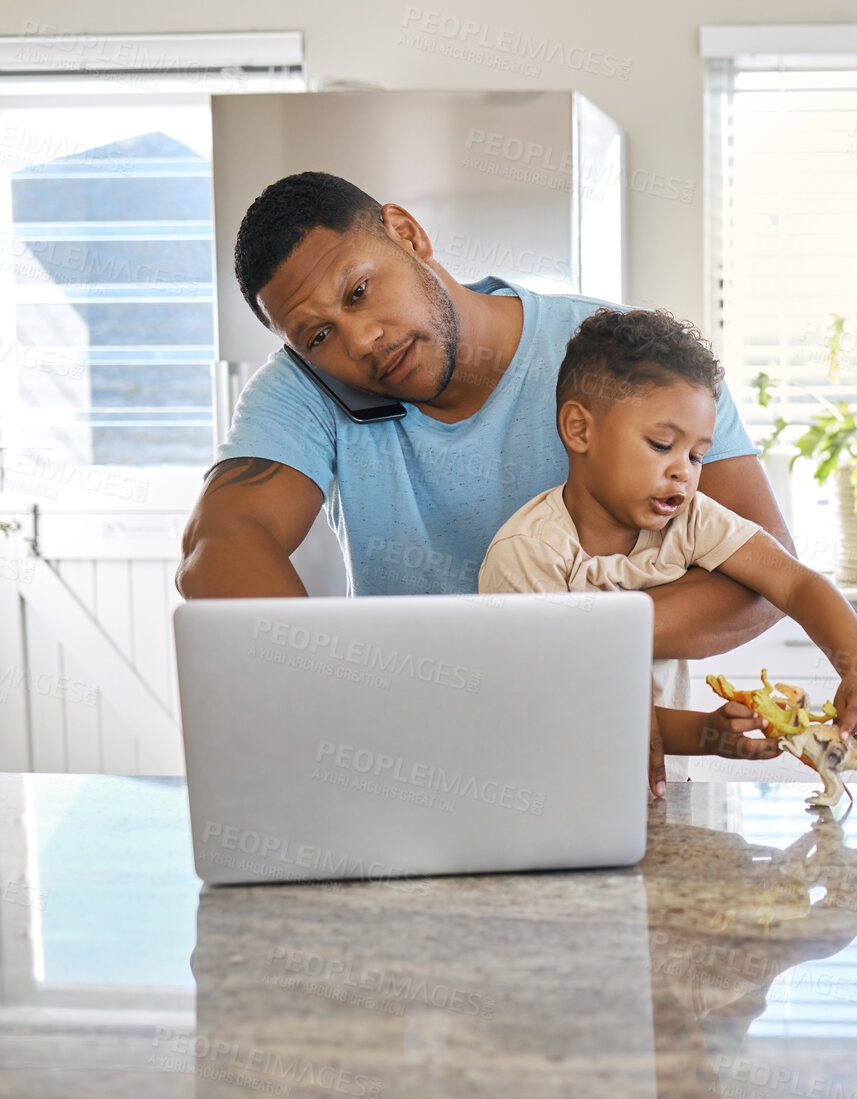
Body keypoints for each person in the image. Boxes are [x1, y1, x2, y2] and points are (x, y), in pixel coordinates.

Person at [176, 171, 792, 793]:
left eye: (359, 291)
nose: (360, 341)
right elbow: (217, 547)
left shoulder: (628, 362)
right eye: (318, 335)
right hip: (421, 778)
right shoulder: (306, 388)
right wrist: (342, 697)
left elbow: (768, 578)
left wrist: (566, 641)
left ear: (407, 234)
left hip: (615, 775)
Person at [479, 307, 857, 756]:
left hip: (658, 788)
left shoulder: (689, 519)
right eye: (661, 445)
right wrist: (704, 734)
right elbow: (556, 699)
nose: (683, 473)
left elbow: (796, 582)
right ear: (579, 429)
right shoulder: (528, 552)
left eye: (696, 455)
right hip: (549, 787)